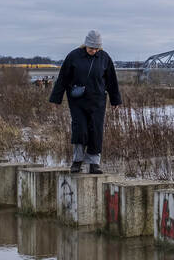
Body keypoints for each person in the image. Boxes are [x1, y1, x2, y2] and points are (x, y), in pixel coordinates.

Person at [49, 30, 122, 174]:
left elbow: (112, 81)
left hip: (98, 101)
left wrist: (115, 100)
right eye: (91, 48)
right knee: (80, 129)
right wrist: (55, 99)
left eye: (96, 49)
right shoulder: (73, 56)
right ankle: (77, 161)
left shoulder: (104, 58)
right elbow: (63, 78)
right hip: (78, 101)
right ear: (85, 45)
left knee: (96, 130)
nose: (93, 51)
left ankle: (94, 163)